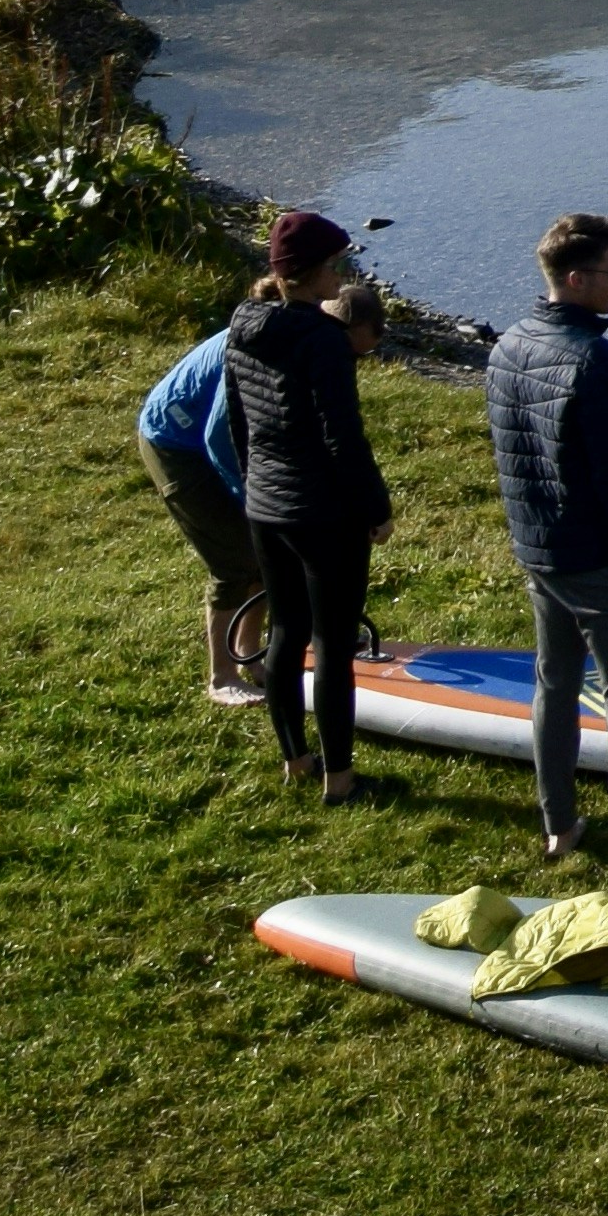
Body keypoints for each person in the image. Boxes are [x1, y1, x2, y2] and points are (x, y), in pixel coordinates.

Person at [491, 209, 608, 877]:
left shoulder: (509, 343)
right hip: (599, 559)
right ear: (576, 278)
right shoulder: (594, 358)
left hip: (539, 549)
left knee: (554, 681)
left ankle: (560, 826)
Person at [223, 212, 395, 799]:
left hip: (267, 507)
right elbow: (342, 437)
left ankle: (295, 759)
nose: (345, 272)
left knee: (285, 629)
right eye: (339, 263)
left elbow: (238, 421)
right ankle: (340, 778)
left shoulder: (244, 323)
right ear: (318, 272)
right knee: (331, 644)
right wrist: (376, 508)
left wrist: (255, 488)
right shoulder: (323, 341)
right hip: (324, 514)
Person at [134, 315, 272, 706]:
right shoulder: (257, 348)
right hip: (175, 442)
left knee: (266, 551)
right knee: (232, 559)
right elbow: (218, 439)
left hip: (208, 437)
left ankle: (250, 656)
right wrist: (251, 500)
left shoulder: (296, 339)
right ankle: (221, 677)